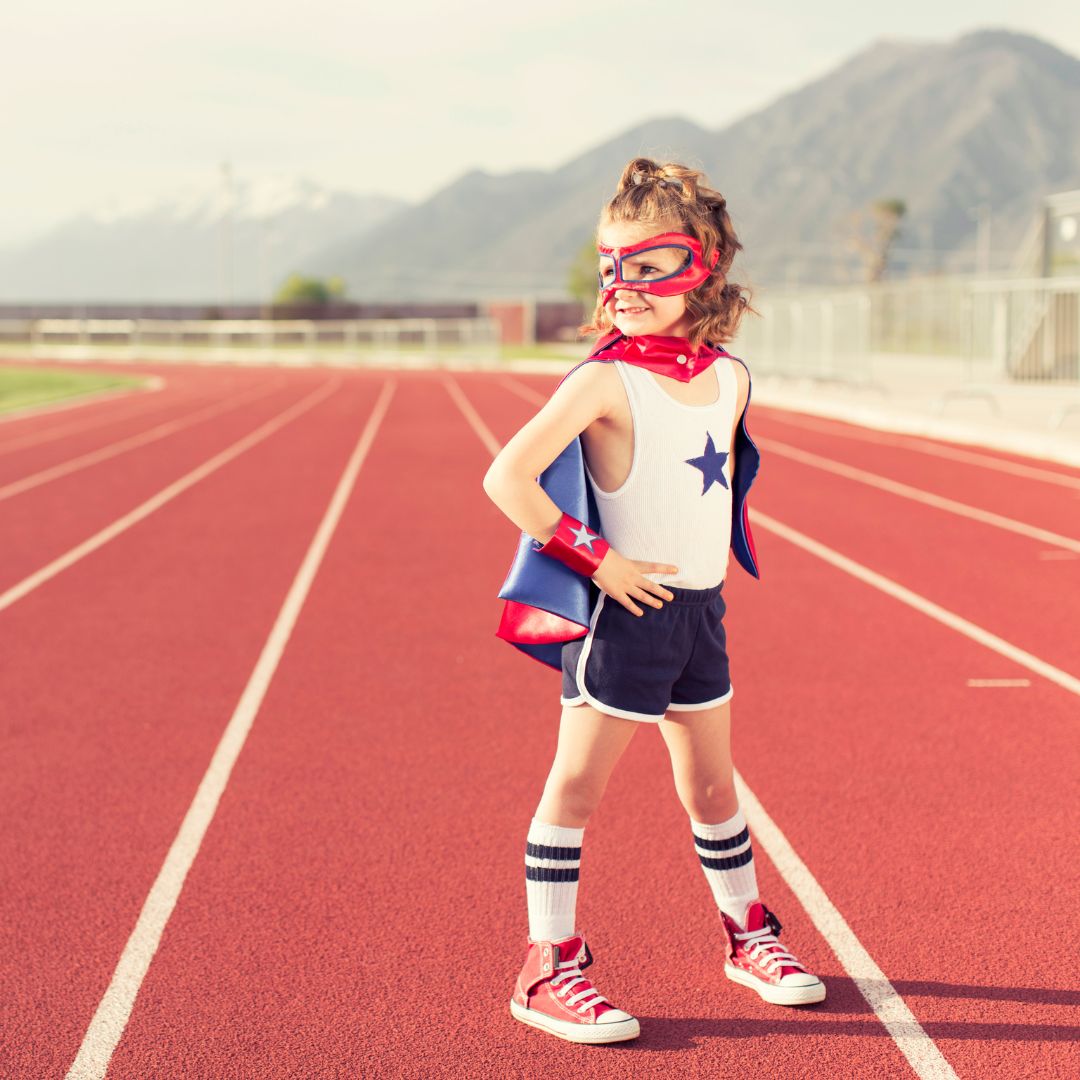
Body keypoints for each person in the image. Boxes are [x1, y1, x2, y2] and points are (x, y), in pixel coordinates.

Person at [483, 157, 824, 1046]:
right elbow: (506, 477)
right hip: (625, 615)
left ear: (700, 265)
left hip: (699, 615)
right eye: (610, 263)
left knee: (711, 783)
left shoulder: (732, 377)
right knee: (577, 789)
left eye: (647, 263)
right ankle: (545, 967)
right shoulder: (603, 380)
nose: (622, 283)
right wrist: (598, 561)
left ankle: (748, 937)